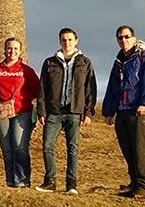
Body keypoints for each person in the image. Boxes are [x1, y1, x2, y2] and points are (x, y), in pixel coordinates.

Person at [34, 27, 97, 195]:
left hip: (74, 112)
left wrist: (88, 112)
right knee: (47, 146)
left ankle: (71, 185)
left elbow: (90, 89)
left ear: (76, 41)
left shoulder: (85, 62)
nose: (66, 42)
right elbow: (42, 88)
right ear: (59, 41)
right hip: (53, 112)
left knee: (73, 148)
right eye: (63, 39)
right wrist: (41, 111)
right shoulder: (50, 62)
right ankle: (50, 181)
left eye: (70, 39)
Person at [102, 25, 145, 199]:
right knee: (128, 150)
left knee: (140, 150)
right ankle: (134, 184)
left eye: (126, 37)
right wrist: (108, 111)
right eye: (120, 38)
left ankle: (143, 186)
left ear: (134, 38)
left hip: (137, 110)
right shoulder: (118, 62)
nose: (123, 40)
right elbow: (112, 87)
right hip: (121, 111)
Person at [0, 37, 40, 188]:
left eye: (15, 48)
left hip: (22, 112)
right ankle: (10, 181)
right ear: (4, 50)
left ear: (20, 51)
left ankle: (23, 181)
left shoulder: (26, 70)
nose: (12, 51)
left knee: (20, 148)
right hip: (1, 113)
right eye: (9, 48)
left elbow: (37, 90)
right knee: (7, 150)